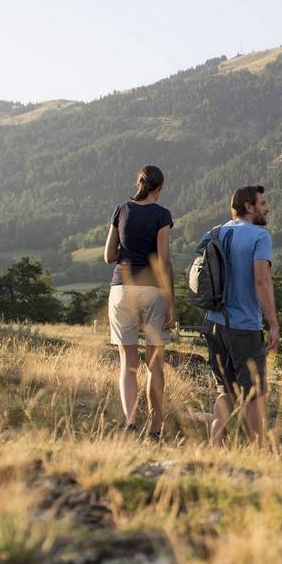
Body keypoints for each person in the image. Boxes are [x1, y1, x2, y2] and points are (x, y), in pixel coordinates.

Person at [199, 185, 277, 445]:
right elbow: (261, 281)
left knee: (226, 390)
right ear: (248, 207)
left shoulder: (213, 233)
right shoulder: (259, 236)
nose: (266, 208)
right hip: (244, 326)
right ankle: (258, 451)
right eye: (262, 203)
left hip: (213, 323)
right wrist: (273, 324)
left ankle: (214, 446)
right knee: (254, 393)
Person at [104, 165, 176, 439]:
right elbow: (163, 260)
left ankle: (130, 422)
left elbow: (109, 256)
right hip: (153, 290)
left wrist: (127, 249)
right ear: (160, 188)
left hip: (121, 288)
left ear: (138, 184)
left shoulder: (121, 210)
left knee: (128, 363)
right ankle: (155, 429)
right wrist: (171, 301)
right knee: (154, 364)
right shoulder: (162, 215)